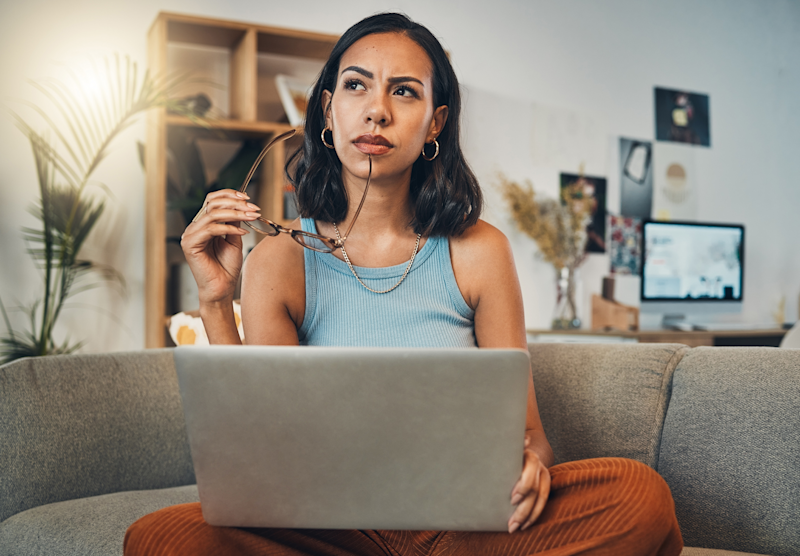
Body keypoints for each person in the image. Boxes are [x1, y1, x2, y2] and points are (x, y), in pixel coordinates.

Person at [125, 13, 682, 556]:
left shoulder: (479, 251)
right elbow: (260, 449)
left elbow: (529, 434)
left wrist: (532, 462)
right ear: (328, 110)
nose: (376, 111)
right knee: (158, 540)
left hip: (465, 525)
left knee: (640, 496)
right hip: (333, 527)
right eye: (356, 86)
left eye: (405, 92)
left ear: (435, 123)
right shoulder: (280, 258)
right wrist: (217, 301)